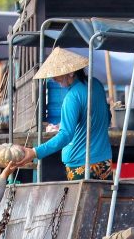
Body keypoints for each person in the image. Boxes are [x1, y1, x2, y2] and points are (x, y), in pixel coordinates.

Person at [14, 48, 112, 180]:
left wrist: (35, 152)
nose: (54, 78)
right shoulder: (97, 84)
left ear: (71, 72)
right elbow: (107, 116)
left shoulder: (72, 97)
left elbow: (66, 135)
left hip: (81, 166)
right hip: (104, 162)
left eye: (57, 73)